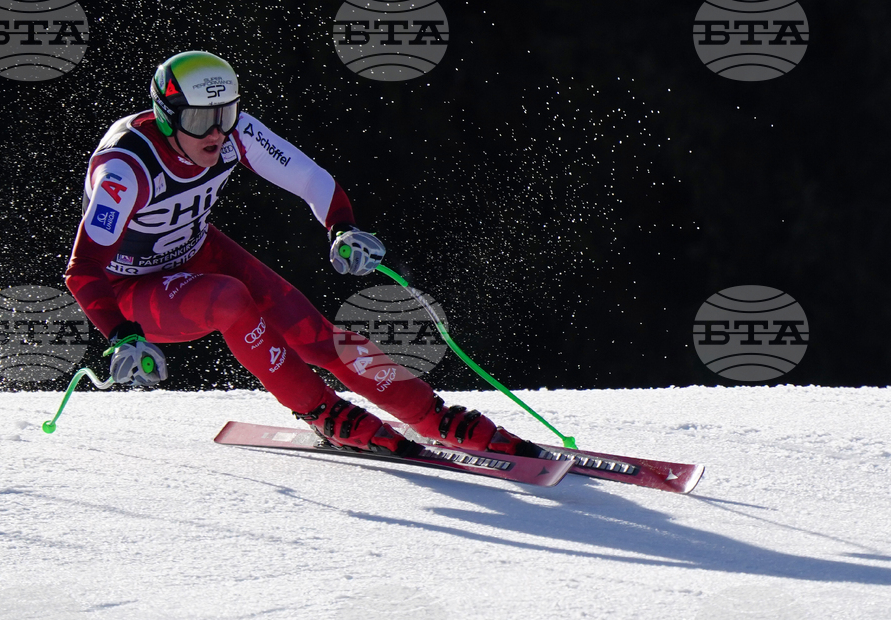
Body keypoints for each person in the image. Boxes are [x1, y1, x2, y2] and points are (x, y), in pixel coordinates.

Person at [65, 50, 550, 459]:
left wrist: (342, 227)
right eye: (199, 120)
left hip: (196, 251)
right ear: (167, 115)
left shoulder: (235, 134)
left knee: (319, 337)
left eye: (225, 114)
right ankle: (323, 412)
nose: (216, 133)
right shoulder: (126, 169)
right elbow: (82, 268)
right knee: (230, 299)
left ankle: (433, 415)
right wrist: (119, 336)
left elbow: (312, 181)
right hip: (129, 290)